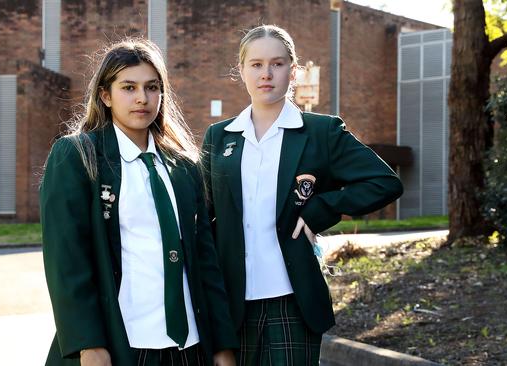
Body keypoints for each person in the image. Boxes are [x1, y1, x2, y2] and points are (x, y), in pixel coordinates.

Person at [201, 25, 403, 365]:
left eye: (277, 64)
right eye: (256, 64)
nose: (266, 74)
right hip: (231, 303)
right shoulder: (219, 137)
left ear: (293, 71)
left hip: (293, 301)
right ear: (242, 70)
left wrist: (321, 209)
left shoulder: (320, 132)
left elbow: (384, 182)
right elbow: (203, 219)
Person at [41, 38, 238, 366]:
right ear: (106, 95)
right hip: (124, 345)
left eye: (152, 87)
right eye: (128, 87)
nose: (142, 98)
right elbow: (67, 260)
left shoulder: (185, 167)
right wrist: (88, 344)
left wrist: (221, 345)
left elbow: (206, 263)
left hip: (190, 347)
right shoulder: (77, 156)